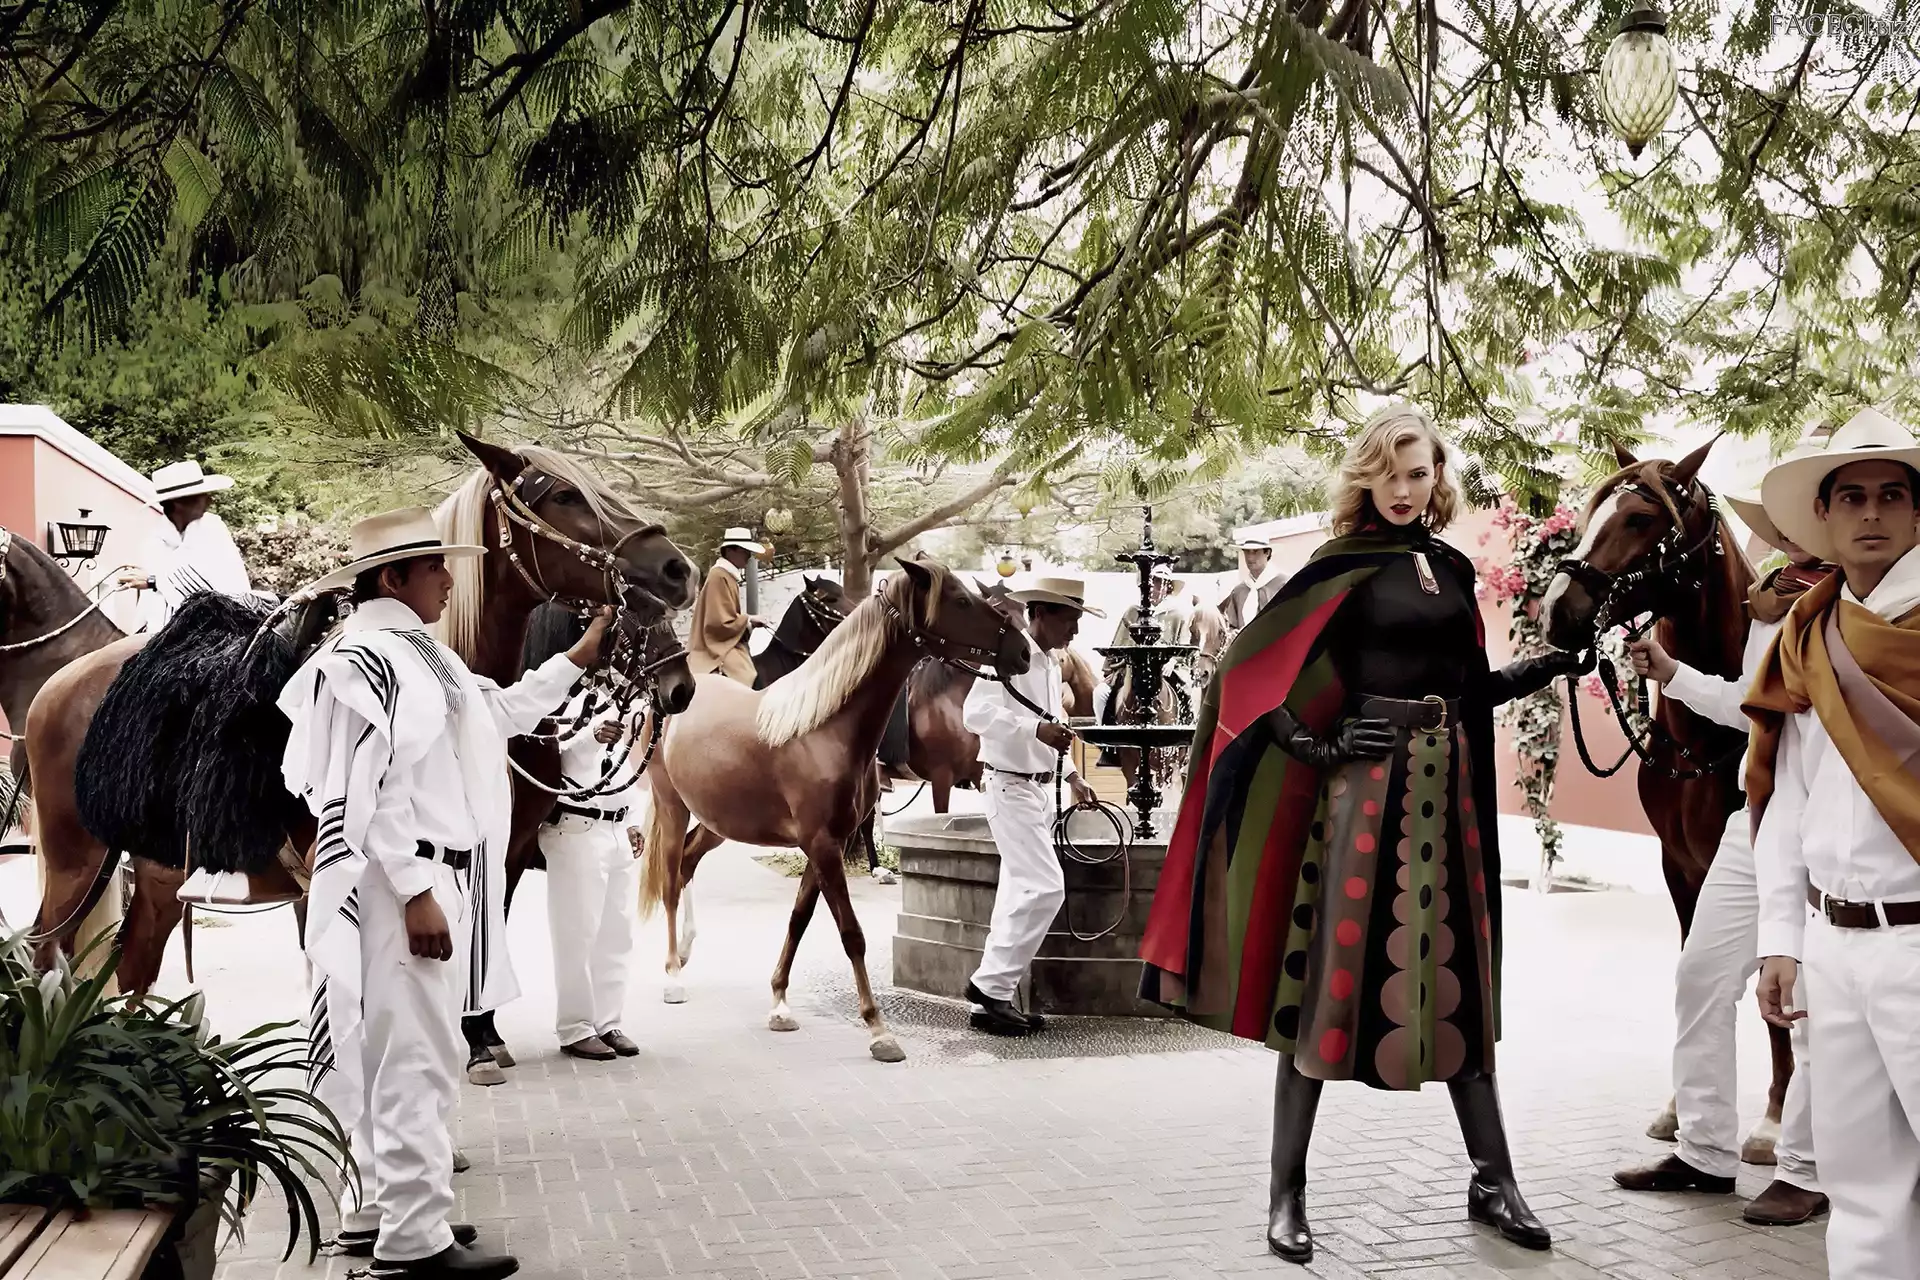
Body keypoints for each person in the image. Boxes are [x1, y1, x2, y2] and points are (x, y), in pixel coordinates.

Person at [1138, 403, 1587, 1264]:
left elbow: (1471, 688)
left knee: (1458, 979)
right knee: (1325, 978)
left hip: (1450, 794)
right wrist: (1320, 745)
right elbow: (1246, 676)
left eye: (1418, 473)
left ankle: (1494, 1180)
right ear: (1365, 477)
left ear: (1437, 477)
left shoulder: (1452, 568)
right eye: (1388, 472)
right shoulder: (1336, 567)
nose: (1404, 489)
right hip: (1364, 794)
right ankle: (1287, 1193)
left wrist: (1546, 666)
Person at [279, 508, 612, 1280]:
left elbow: (500, 712)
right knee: (418, 1058)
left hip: (420, 881)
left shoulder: (417, 654)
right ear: (393, 578)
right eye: (435, 567)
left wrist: (576, 659)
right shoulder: (373, 658)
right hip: (407, 886)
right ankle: (416, 1237)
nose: (450, 579)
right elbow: (371, 786)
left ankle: (382, 1210)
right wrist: (415, 890)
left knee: (390, 1050)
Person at [1612, 451, 1832, 1225]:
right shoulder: (1772, 604)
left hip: (1834, 825)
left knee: (1809, 998)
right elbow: (1750, 704)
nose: (1794, 532)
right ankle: (1705, 1150)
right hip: (1760, 814)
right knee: (1702, 975)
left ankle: (1806, 1168)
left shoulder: (1867, 603)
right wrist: (1671, 672)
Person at [1748, 407, 1920, 1280]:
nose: (1871, 513)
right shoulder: (1807, 636)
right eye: (1851, 496)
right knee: (1859, 1193)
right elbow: (1789, 796)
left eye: (1892, 494)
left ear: (1917, 512)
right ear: (1824, 516)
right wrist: (1781, 936)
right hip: (1832, 943)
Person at [961, 576, 1102, 1035]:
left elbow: (1051, 724)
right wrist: (1034, 731)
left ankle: (992, 1002)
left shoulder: (1050, 663)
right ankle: (988, 987)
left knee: (1017, 893)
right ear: (1039, 613)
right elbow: (974, 715)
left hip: (1038, 789)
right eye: (1069, 620)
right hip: (1009, 786)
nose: (1075, 631)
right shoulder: (1006, 655)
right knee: (1046, 887)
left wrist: (1073, 776)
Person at [538, 614, 645, 1062]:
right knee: (577, 934)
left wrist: (635, 817)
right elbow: (549, 759)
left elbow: (626, 764)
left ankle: (609, 1021)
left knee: (617, 934)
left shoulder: (613, 696)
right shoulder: (554, 694)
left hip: (616, 827)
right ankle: (576, 1027)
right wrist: (590, 737)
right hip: (576, 826)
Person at [120, 459, 255, 631]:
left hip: (212, 630)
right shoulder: (154, 540)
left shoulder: (213, 528)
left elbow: (217, 587)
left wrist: (153, 580)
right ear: (179, 504)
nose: (210, 500)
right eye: (201, 497)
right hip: (160, 629)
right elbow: (151, 602)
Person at [687, 527, 768, 684]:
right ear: (731, 551)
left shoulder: (726, 575)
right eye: (745, 551)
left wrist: (748, 621)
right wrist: (749, 620)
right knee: (746, 675)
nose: (749, 556)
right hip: (713, 646)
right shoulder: (719, 576)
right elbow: (719, 623)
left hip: (722, 639)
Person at [1219, 535, 1287, 632]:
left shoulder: (1284, 584)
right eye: (1247, 552)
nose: (1250, 557)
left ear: (1267, 553)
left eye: (1255, 551)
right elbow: (1231, 625)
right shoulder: (1238, 591)